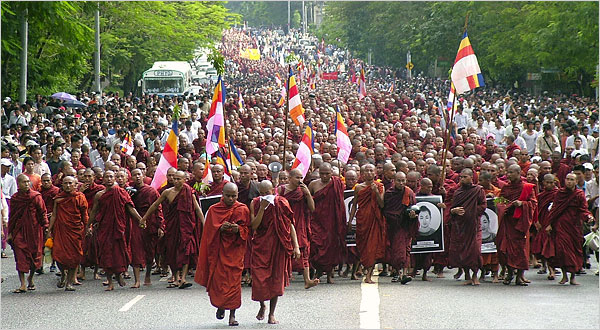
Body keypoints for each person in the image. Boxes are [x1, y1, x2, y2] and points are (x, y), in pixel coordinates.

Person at [195, 183, 250, 326]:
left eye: (234, 196)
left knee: (234, 283)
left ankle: (232, 315)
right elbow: (208, 232)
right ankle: (220, 305)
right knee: (219, 282)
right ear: (222, 195)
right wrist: (220, 228)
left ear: (237, 195)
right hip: (219, 252)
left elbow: (248, 230)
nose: (231, 199)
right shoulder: (214, 210)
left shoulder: (242, 209)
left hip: (235, 252)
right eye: (228, 196)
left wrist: (238, 229)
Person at [250, 180, 301, 324]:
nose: (265, 196)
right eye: (262, 193)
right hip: (261, 246)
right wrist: (262, 208)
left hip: (278, 245)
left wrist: (296, 246)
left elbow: (290, 224)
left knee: (275, 280)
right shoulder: (255, 203)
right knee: (259, 279)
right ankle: (262, 305)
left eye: (267, 193)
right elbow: (254, 225)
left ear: (273, 190)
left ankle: (272, 313)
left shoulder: (282, 203)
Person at [141, 170, 204, 289]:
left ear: (184, 180)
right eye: (174, 179)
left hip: (186, 227)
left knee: (186, 250)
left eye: (178, 179)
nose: (175, 181)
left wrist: (205, 224)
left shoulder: (189, 192)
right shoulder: (167, 192)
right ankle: (175, 277)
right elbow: (155, 205)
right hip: (172, 226)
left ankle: (183, 278)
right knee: (172, 251)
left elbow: (197, 209)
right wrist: (144, 218)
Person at [88, 170, 146, 291]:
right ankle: (110, 282)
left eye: (111, 177)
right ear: (102, 179)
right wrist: (89, 225)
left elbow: (130, 208)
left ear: (114, 178)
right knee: (106, 253)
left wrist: (140, 220)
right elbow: (94, 211)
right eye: (106, 177)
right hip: (105, 228)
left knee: (119, 253)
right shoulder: (100, 195)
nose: (109, 179)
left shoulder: (121, 192)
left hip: (119, 228)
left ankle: (119, 275)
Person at [546, 173, 595, 285]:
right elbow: (555, 209)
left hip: (574, 226)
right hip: (561, 225)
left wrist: (588, 217)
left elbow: (583, 209)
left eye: (572, 180)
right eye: (567, 179)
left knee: (574, 251)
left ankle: (572, 277)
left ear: (576, 182)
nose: (569, 182)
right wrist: (549, 224)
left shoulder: (579, 194)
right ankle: (564, 276)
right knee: (562, 250)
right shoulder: (560, 193)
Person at [497, 164, 538, 286]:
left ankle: (520, 276)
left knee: (520, 249)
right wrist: (503, 206)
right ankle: (510, 273)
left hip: (520, 223)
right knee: (506, 249)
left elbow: (533, 203)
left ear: (519, 173)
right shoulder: (506, 188)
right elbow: (499, 201)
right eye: (507, 172)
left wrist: (522, 204)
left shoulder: (527, 187)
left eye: (511, 172)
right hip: (508, 222)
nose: (508, 175)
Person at [7, 174, 48, 293]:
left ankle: (31, 278)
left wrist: (45, 226)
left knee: (35, 256)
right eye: (23, 182)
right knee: (20, 256)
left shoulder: (36, 196)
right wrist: (10, 233)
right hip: (19, 231)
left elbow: (42, 212)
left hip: (34, 230)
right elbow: (13, 217)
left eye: (27, 182)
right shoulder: (15, 198)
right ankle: (23, 284)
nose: (26, 184)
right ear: (18, 184)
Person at [279, 168, 319, 288]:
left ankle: (307, 280)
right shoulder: (281, 189)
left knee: (304, 250)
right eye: (297, 177)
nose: (300, 180)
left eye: (301, 177)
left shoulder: (303, 191)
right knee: (284, 249)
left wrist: (307, 194)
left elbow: (312, 209)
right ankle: (282, 277)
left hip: (300, 222)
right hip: (286, 222)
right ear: (290, 178)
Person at [47, 176, 88, 291]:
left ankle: (69, 282)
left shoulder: (80, 197)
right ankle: (63, 274)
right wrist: (49, 229)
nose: (68, 185)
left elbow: (84, 214)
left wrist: (87, 227)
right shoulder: (58, 199)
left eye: (70, 183)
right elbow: (54, 215)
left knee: (75, 256)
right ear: (62, 185)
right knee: (58, 254)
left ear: (75, 185)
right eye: (65, 183)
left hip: (75, 230)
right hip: (61, 230)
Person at [307, 163, 347, 284]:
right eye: (322, 174)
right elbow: (307, 202)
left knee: (331, 246)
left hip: (332, 221)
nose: (324, 176)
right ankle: (318, 271)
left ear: (331, 173)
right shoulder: (313, 184)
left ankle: (329, 274)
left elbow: (340, 202)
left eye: (327, 173)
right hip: (317, 220)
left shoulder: (336, 183)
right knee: (315, 245)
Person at [448, 168, 486, 286]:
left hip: (473, 225)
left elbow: (483, 206)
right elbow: (452, 209)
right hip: (461, 226)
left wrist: (471, 211)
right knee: (462, 250)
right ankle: (467, 275)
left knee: (475, 250)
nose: (462, 179)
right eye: (461, 177)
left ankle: (475, 275)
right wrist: (454, 211)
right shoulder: (458, 192)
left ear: (471, 177)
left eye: (465, 177)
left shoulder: (478, 190)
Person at [349, 164, 386, 284]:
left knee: (373, 247)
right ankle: (362, 270)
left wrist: (375, 191)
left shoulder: (379, 186)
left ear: (375, 172)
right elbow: (354, 204)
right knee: (363, 247)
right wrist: (350, 220)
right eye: (366, 171)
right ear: (362, 174)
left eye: (371, 170)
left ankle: (369, 275)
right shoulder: (359, 188)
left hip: (374, 220)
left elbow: (381, 204)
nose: (369, 173)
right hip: (362, 220)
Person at [131, 168, 165, 287]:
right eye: (134, 175)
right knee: (135, 249)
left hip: (150, 222)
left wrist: (161, 225)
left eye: (139, 174)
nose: (137, 177)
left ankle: (148, 275)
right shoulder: (130, 191)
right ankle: (137, 280)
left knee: (150, 251)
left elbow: (158, 208)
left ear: (143, 175)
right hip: (135, 222)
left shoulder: (151, 191)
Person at [383, 171, 418, 284]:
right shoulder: (390, 193)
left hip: (405, 225)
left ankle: (403, 273)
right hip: (393, 226)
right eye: (399, 180)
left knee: (404, 250)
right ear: (394, 181)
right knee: (396, 250)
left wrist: (413, 215)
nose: (401, 183)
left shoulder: (409, 193)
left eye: (403, 180)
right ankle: (398, 272)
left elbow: (414, 208)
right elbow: (386, 210)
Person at [532, 173, 559, 280]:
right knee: (542, 245)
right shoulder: (540, 196)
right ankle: (544, 266)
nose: (549, 185)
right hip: (542, 223)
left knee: (549, 246)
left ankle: (551, 270)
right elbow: (535, 209)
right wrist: (536, 221)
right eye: (547, 182)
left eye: (551, 183)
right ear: (543, 183)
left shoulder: (557, 194)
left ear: (554, 183)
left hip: (552, 223)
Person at [79, 168, 105, 281]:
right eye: (85, 176)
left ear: (94, 177)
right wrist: (81, 192)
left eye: (90, 176)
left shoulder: (100, 190)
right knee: (84, 246)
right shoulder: (79, 190)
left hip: (96, 220)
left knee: (96, 246)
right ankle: (82, 272)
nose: (87, 179)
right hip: (83, 220)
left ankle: (96, 272)